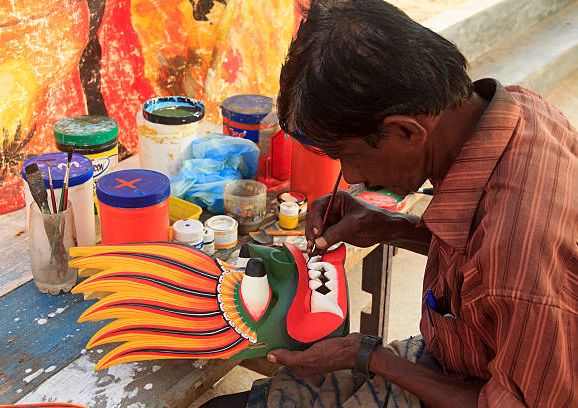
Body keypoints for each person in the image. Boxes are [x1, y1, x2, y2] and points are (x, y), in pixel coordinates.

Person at [201, 0, 577, 407]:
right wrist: (388, 226)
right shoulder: (517, 109)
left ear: (405, 130)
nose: (354, 176)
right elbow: (478, 258)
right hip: (463, 354)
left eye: (349, 155)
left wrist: (365, 354)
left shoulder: (516, 252)